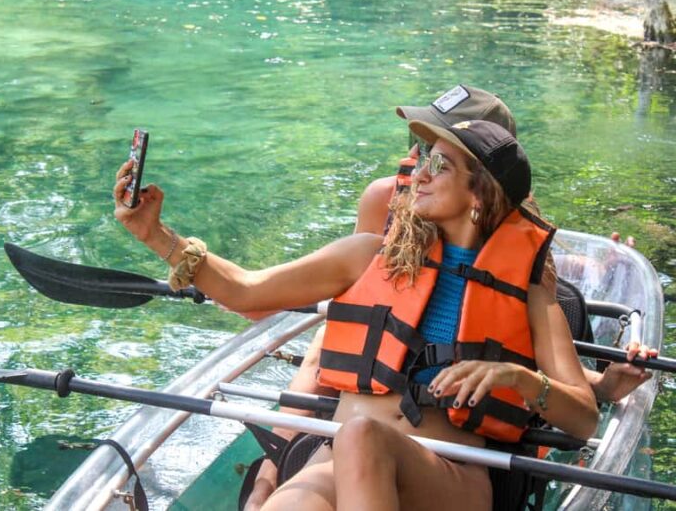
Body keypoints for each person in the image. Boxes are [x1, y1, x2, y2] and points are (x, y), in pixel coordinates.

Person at [115, 118, 599, 511]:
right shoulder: (369, 256)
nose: (420, 174)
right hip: (334, 461)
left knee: (365, 436)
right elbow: (244, 290)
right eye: (424, 159)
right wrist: (156, 235)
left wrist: (518, 377)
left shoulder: (530, 296)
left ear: (480, 193)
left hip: (448, 479)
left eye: (441, 165)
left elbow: (582, 419)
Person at [241, 85, 656, 511]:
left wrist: (597, 386)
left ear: (485, 173)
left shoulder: (524, 260)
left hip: (449, 459)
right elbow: (350, 337)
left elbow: (508, 349)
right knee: (344, 431)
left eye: (441, 154)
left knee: (362, 438)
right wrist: (271, 469)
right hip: (356, 433)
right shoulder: (384, 206)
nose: (421, 164)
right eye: (423, 146)